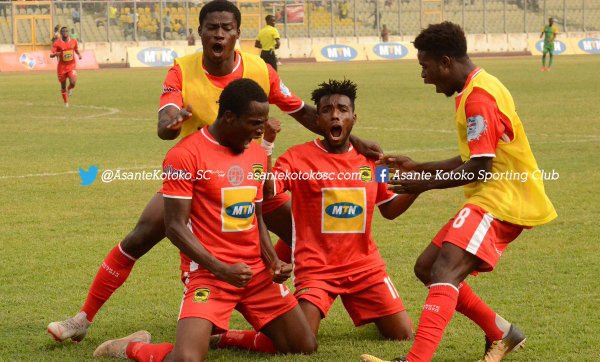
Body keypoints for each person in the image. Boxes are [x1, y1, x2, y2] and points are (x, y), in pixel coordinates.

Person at [47, 0, 381, 344]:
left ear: (238, 33)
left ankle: (283, 293)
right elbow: (165, 122)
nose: (219, 34)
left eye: (227, 28)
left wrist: (352, 139)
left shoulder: (260, 70)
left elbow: (304, 113)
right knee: (140, 237)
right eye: (212, 28)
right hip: (195, 181)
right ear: (201, 32)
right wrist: (171, 124)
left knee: (302, 234)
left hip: (248, 177)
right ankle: (83, 318)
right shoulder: (182, 69)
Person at [360, 21, 557, 362]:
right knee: (427, 267)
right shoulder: (476, 87)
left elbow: (479, 168)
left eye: (426, 67)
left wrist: (423, 183)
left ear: (446, 62)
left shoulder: (478, 98)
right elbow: (474, 157)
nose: (424, 76)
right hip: (493, 196)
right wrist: (419, 167)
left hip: (504, 199)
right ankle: (502, 332)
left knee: (445, 269)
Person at [93, 78, 317, 362]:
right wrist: (222, 269)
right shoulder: (184, 155)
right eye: (254, 122)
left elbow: (256, 217)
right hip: (208, 274)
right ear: (228, 117)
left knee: (303, 345)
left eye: (263, 122)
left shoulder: (258, 154)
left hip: (255, 273)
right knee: (186, 359)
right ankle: (128, 348)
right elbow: (174, 227)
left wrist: (272, 260)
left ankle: (222, 337)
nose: (261, 129)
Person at [211, 79, 417, 354]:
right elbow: (268, 189)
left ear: (353, 118)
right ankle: (229, 337)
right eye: (327, 110)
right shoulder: (298, 158)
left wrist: (419, 186)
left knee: (402, 334)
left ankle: (372, 309)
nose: (335, 115)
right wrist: (268, 143)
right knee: (302, 341)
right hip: (317, 269)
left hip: (365, 267)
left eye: (343, 110)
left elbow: (389, 209)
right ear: (317, 119)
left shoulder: (372, 161)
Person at [49, 26, 82, 107]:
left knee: (73, 82)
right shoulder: (57, 43)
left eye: (66, 31)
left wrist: (79, 54)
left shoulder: (73, 41)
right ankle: (66, 102)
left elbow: (76, 49)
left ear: (68, 32)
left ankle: (70, 88)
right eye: (63, 31)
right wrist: (55, 54)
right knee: (63, 85)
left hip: (71, 66)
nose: (65, 33)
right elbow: (51, 54)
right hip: (61, 67)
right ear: (61, 33)